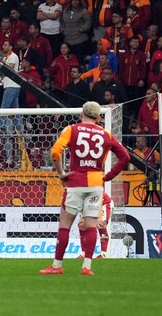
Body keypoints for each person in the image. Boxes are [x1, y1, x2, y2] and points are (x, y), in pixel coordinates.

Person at [40, 102, 130, 275]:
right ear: (98, 117)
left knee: (65, 225)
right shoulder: (106, 134)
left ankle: (57, 266)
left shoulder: (72, 129)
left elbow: (55, 152)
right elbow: (125, 157)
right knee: (90, 225)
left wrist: (61, 173)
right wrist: (108, 176)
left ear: (82, 113)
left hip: (76, 182)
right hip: (96, 184)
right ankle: (87, 267)